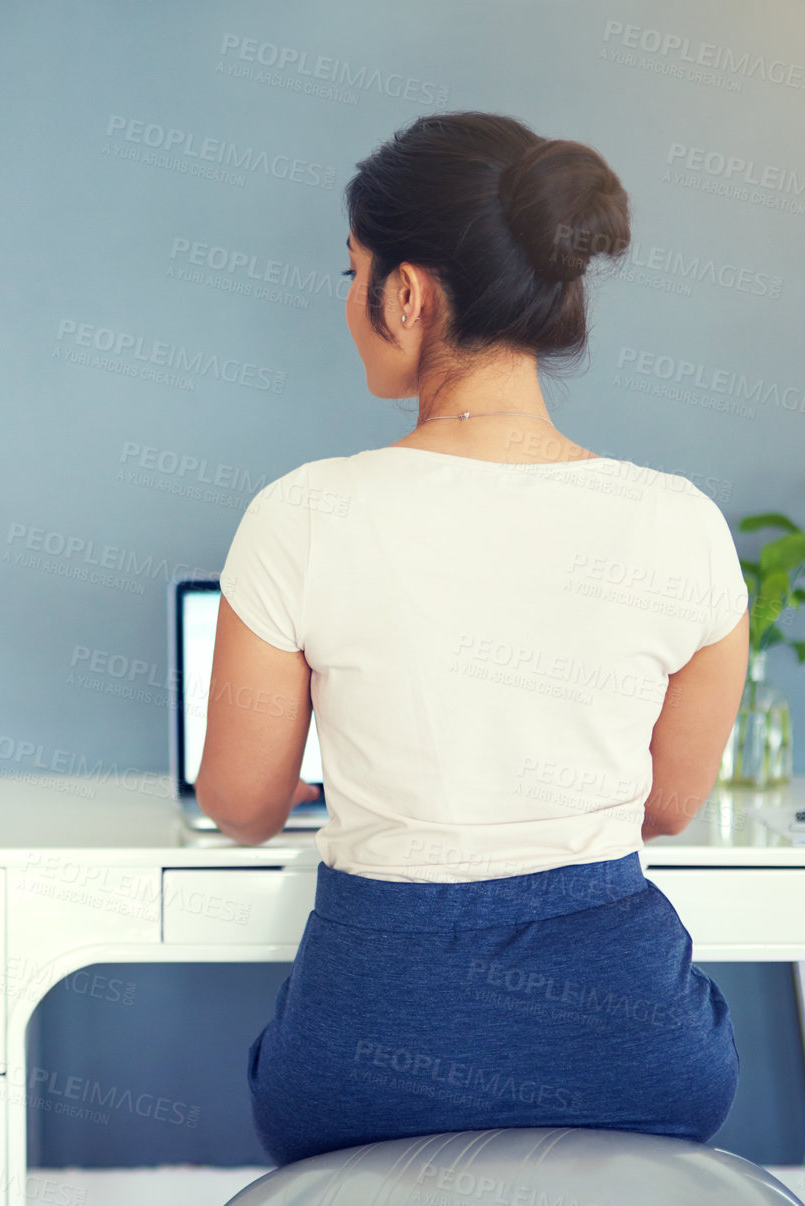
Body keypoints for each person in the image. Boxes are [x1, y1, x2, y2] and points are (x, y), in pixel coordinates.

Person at [193, 110, 750, 1167]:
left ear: (404, 293)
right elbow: (668, 803)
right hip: (640, 1056)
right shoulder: (679, 522)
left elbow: (241, 805)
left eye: (349, 270)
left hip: (364, 1058)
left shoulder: (302, 514)